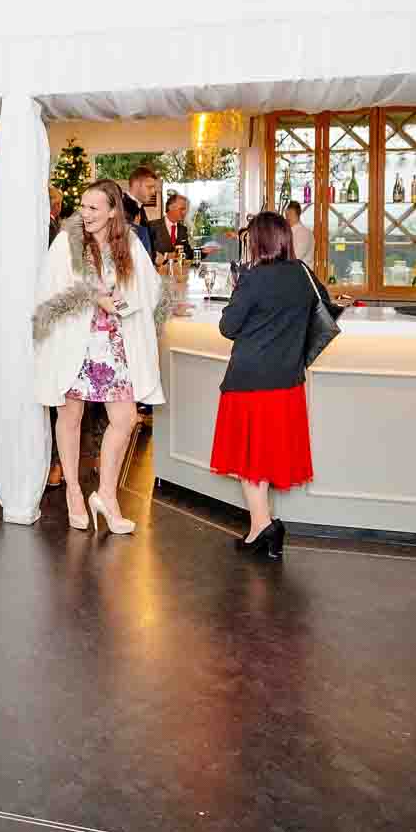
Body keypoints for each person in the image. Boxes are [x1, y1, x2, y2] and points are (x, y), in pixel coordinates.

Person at [32, 179, 166, 535]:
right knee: (70, 416)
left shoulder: (130, 244)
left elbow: (150, 289)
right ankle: (74, 492)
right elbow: (49, 291)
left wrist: (122, 299)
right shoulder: (66, 241)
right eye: (83, 206)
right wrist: (94, 295)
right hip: (75, 344)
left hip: (114, 345)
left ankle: (106, 495)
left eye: (93, 208)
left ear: (112, 212)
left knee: (124, 419)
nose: (85, 214)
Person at [209, 211, 333, 559]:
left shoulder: (253, 278)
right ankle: (257, 530)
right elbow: (324, 305)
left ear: (257, 240)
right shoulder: (303, 274)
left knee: (250, 460)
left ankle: (264, 527)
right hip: (287, 381)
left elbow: (228, 327)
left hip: (250, 381)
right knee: (266, 458)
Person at [150, 193, 194, 263]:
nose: (185, 212)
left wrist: (202, 251)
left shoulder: (183, 229)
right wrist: (166, 256)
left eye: (186, 209)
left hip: (179, 272)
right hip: (158, 272)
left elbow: (187, 252)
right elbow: (146, 252)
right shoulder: (152, 226)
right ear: (171, 207)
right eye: (182, 209)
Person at [284, 201, 313, 267]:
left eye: (290, 214)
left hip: (302, 274)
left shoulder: (304, 233)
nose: (287, 217)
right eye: (286, 215)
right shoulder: (289, 231)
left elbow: (296, 257)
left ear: (297, 214)